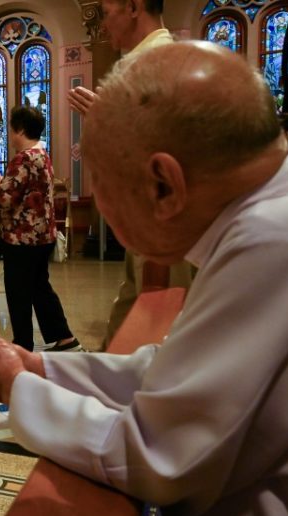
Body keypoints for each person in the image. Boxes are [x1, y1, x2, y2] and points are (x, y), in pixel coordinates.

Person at [0, 42, 288, 516]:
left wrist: (11, 386)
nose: (99, 203)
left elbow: (157, 455)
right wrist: (39, 367)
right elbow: (172, 374)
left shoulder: (277, 244)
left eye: (102, 181)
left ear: (163, 185)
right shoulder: (280, 219)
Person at [68, 0, 194, 348]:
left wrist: (113, 124)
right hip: (143, 226)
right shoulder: (141, 63)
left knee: (156, 335)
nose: (103, 24)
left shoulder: (160, 63)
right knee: (123, 337)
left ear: (134, 6)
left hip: (163, 227)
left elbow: (178, 157)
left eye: (107, 13)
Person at [0, 106, 80, 352]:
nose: (10, 135)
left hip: (22, 238)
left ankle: (22, 344)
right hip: (42, 235)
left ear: (21, 130)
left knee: (19, 292)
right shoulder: (43, 155)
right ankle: (65, 337)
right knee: (39, 288)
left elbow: (7, 200)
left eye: (11, 130)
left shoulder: (24, 158)